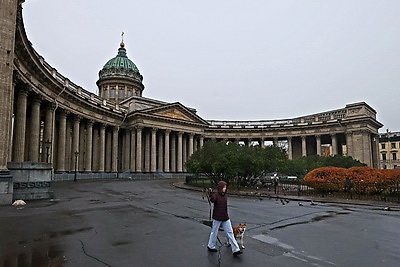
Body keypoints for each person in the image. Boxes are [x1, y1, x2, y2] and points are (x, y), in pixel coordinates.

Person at [207, 181, 242, 256]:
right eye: (224, 187)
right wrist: (211, 195)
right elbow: (213, 200)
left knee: (230, 233)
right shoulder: (216, 195)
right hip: (217, 218)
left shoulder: (225, 196)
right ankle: (211, 246)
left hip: (225, 218)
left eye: (225, 187)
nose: (225, 189)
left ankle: (236, 249)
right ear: (220, 188)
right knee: (214, 232)